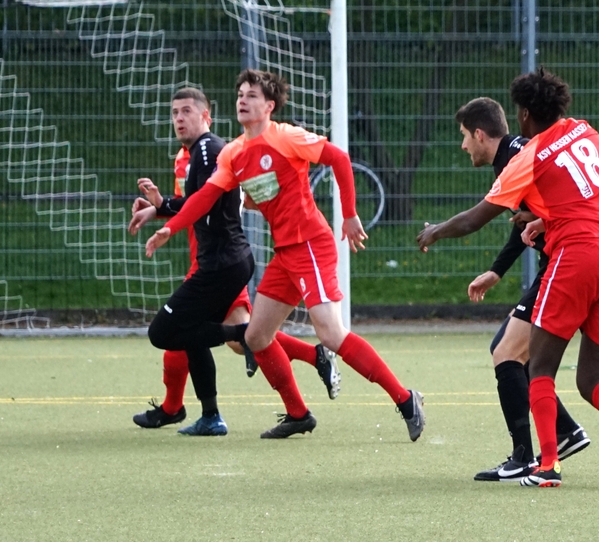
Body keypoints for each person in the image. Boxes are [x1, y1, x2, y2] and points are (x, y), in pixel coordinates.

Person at [417, 68, 599, 488]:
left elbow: (474, 219)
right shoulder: (584, 131)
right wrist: (545, 220)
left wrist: (435, 231)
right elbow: (584, 194)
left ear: (523, 114)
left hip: (579, 256)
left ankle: (547, 465)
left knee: (539, 366)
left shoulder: (528, 157)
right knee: (591, 379)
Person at [144, 69, 425, 440]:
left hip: (310, 244)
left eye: (252, 96)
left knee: (331, 333)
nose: (243, 100)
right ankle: (298, 414)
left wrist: (350, 214)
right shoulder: (233, 153)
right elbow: (205, 197)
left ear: (269, 106)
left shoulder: (286, 136)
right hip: (284, 253)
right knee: (256, 336)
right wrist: (170, 226)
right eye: (240, 94)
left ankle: (405, 399)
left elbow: (339, 159)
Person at [129, 88, 341, 435]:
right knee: (217, 336)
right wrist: (161, 207)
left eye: (186, 111)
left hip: (220, 262)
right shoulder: (186, 156)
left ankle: (184, 409)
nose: (179, 118)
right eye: (175, 113)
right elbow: (194, 202)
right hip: (210, 259)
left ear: (206, 115)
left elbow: (209, 201)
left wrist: (164, 211)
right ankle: (195, 411)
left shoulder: (211, 150)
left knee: (228, 334)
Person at [453, 97, 589, 483]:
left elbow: (476, 219)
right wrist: (496, 271)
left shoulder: (517, 156)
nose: (463, 145)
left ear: (480, 134)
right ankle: (565, 431)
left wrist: (435, 232)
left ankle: (524, 457)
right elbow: (527, 219)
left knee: (506, 352)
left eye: (464, 136)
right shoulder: (515, 154)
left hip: (565, 264)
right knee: (523, 356)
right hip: (566, 262)